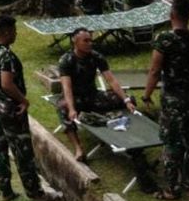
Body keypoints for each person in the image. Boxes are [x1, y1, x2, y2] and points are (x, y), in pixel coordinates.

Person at [0, 15, 61, 201]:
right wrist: (24, 100)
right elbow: (6, 84)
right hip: (9, 107)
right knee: (23, 151)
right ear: (8, 32)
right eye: (14, 31)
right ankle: (35, 192)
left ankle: (5, 190)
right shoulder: (6, 56)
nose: (16, 34)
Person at [143, 0, 189, 200]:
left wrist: (147, 95)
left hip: (173, 99)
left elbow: (155, 71)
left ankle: (172, 188)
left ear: (171, 14)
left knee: (172, 141)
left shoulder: (164, 40)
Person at [58, 29, 138, 162]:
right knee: (63, 107)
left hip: (92, 95)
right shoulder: (66, 60)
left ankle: (127, 134)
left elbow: (111, 80)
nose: (90, 43)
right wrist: (72, 109)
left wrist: (126, 100)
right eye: (86, 41)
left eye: (91, 40)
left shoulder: (96, 56)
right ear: (75, 42)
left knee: (128, 99)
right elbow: (67, 87)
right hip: (75, 98)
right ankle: (78, 147)